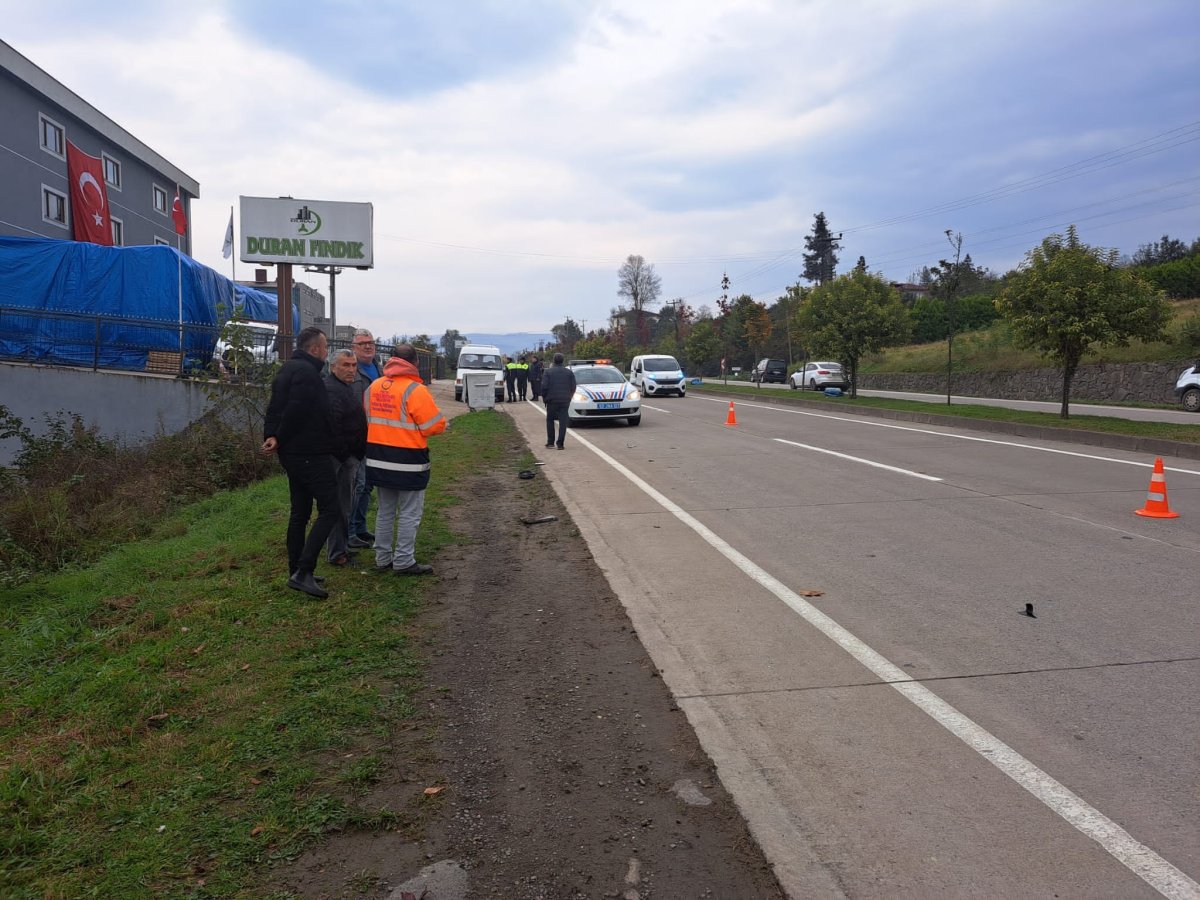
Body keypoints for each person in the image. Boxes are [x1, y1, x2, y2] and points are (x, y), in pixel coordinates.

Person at [262, 326, 339, 598]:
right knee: (331, 508)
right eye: (325, 346)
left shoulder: (287, 368)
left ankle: (295, 569)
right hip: (309, 453)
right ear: (315, 349)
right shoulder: (307, 374)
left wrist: (271, 435)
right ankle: (304, 571)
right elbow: (295, 411)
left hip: (293, 454)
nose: (327, 351)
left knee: (300, 512)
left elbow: (275, 407)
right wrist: (279, 437)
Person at [364, 343, 447, 575]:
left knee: (385, 511)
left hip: (378, 458)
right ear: (416, 363)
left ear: (391, 359)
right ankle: (403, 560)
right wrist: (442, 424)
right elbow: (433, 426)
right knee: (410, 512)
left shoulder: (374, 387)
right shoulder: (416, 390)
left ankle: (382, 558)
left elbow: (368, 418)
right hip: (408, 461)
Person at [324, 349, 368, 567]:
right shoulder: (332, 390)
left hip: (349, 456)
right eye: (345, 365)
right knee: (340, 506)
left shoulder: (345, 388)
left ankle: (340, 548)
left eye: (353, 365)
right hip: (340, 459)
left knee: (345, 505)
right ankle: (337, 554)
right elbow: (332, 428)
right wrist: (347, 456)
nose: (351, 370)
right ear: (333, 367)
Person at [347, 329, 382, 549]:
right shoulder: (352, 370)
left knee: (368, 484)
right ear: (354, 347)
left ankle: (360, 527)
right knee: (356, 485)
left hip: (376, 434)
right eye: (362, 344)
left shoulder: (378, 367)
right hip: (356, 435)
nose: (367, 346)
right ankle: (349, 531)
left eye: (370, 342)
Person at [541, 352, 576, 450]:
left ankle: (550, 442)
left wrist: (544, 398)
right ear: (563, 361)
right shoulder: (569, 372)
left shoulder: (548, 372)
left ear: (554, 361)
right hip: (565, 400)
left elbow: (544, 387)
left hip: (551, 400)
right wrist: (569, 397)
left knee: (550, 420)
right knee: (563, 422)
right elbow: (573, 387)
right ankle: (560, 444)